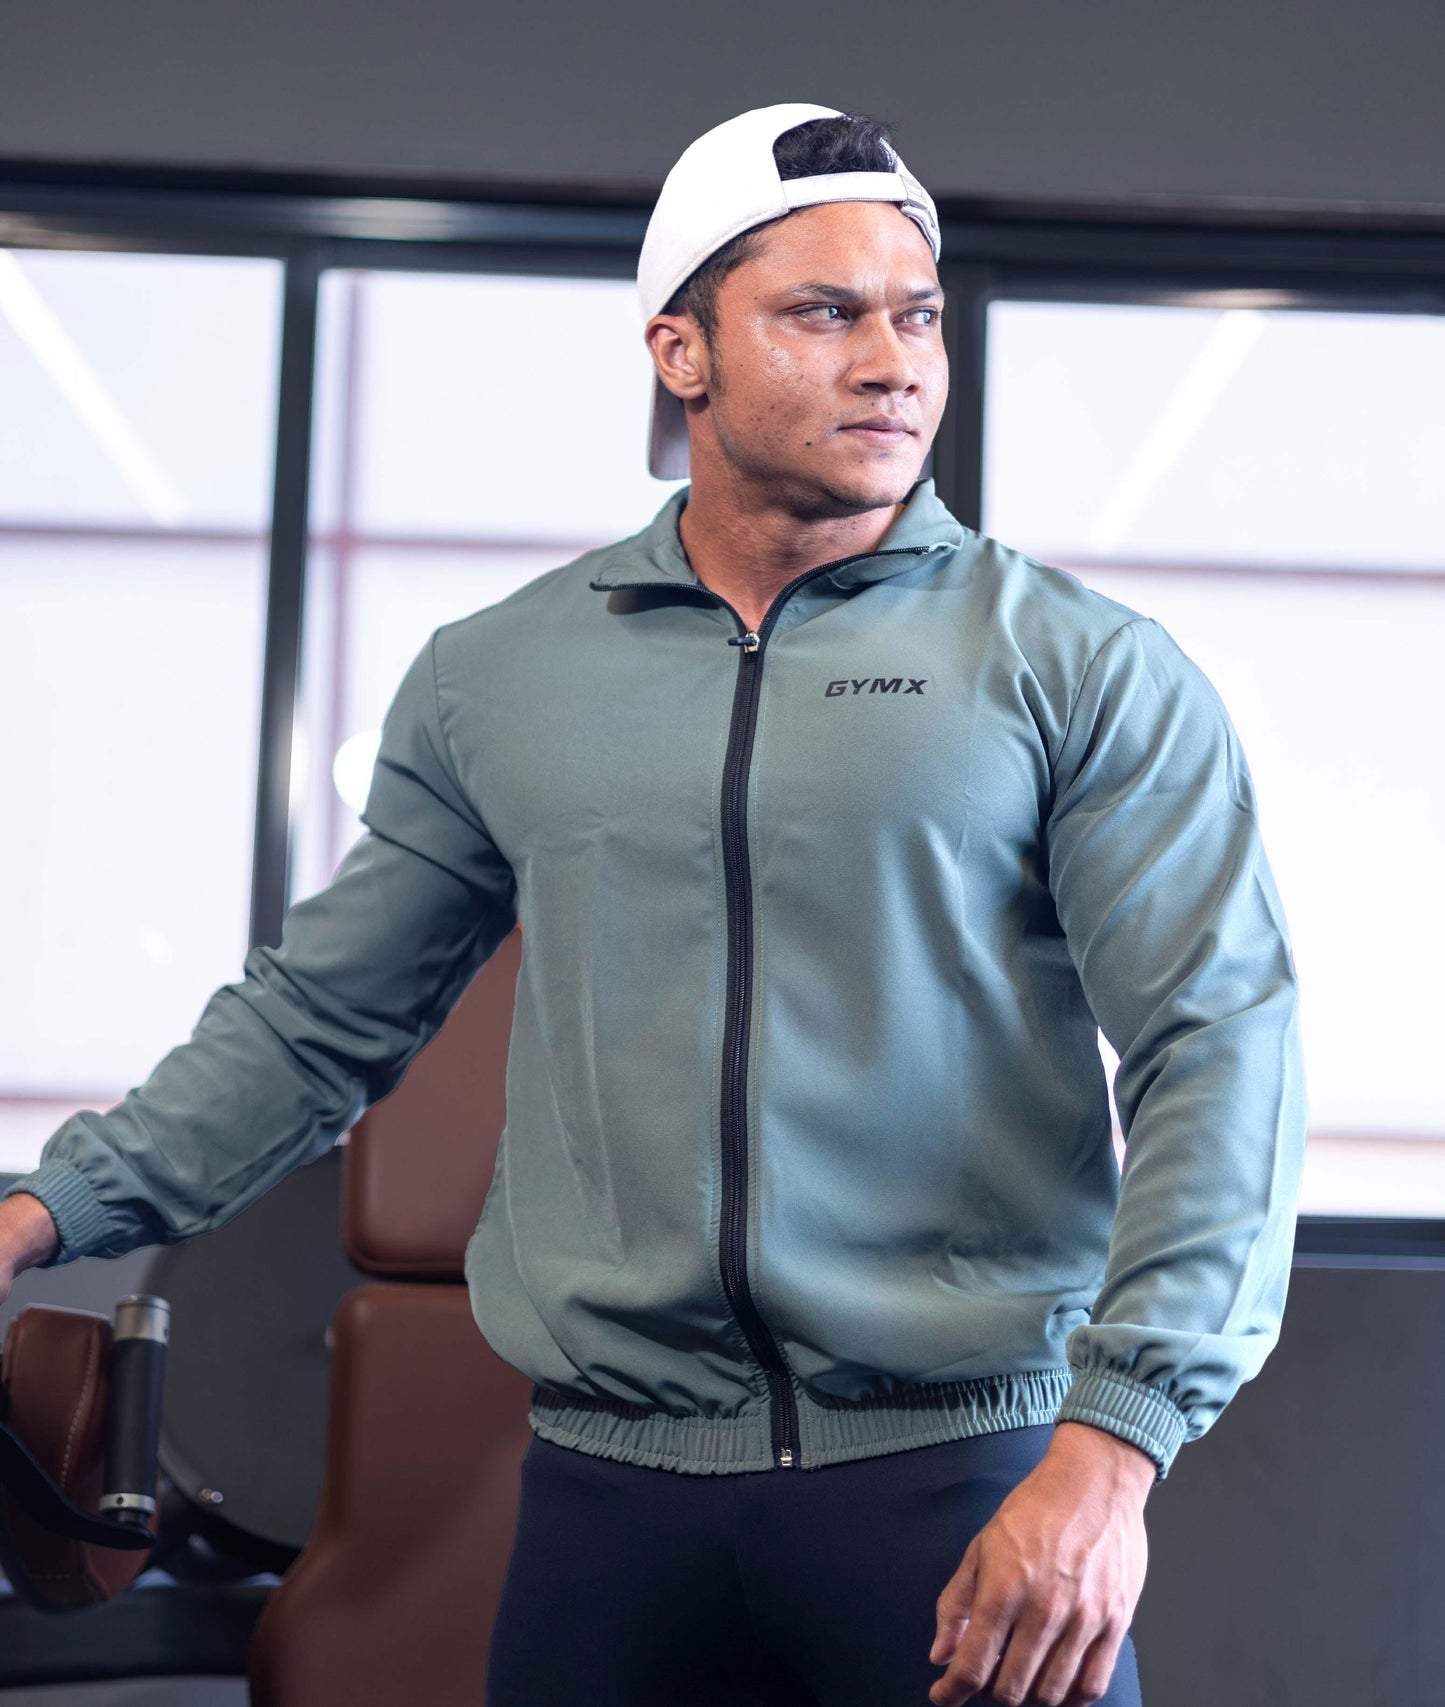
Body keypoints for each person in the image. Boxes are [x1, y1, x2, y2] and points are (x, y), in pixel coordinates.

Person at [0, 103, 1308, 1707]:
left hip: (961, 1474)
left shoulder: (1075, 667)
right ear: (680, 352)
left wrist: (1111, 1451)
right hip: (609, 1504)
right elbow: (315, 1021)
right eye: (823, 314)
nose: (891, 363)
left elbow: (1217, 1045)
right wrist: (44, 1211)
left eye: (915, 318)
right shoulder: (501, 675)